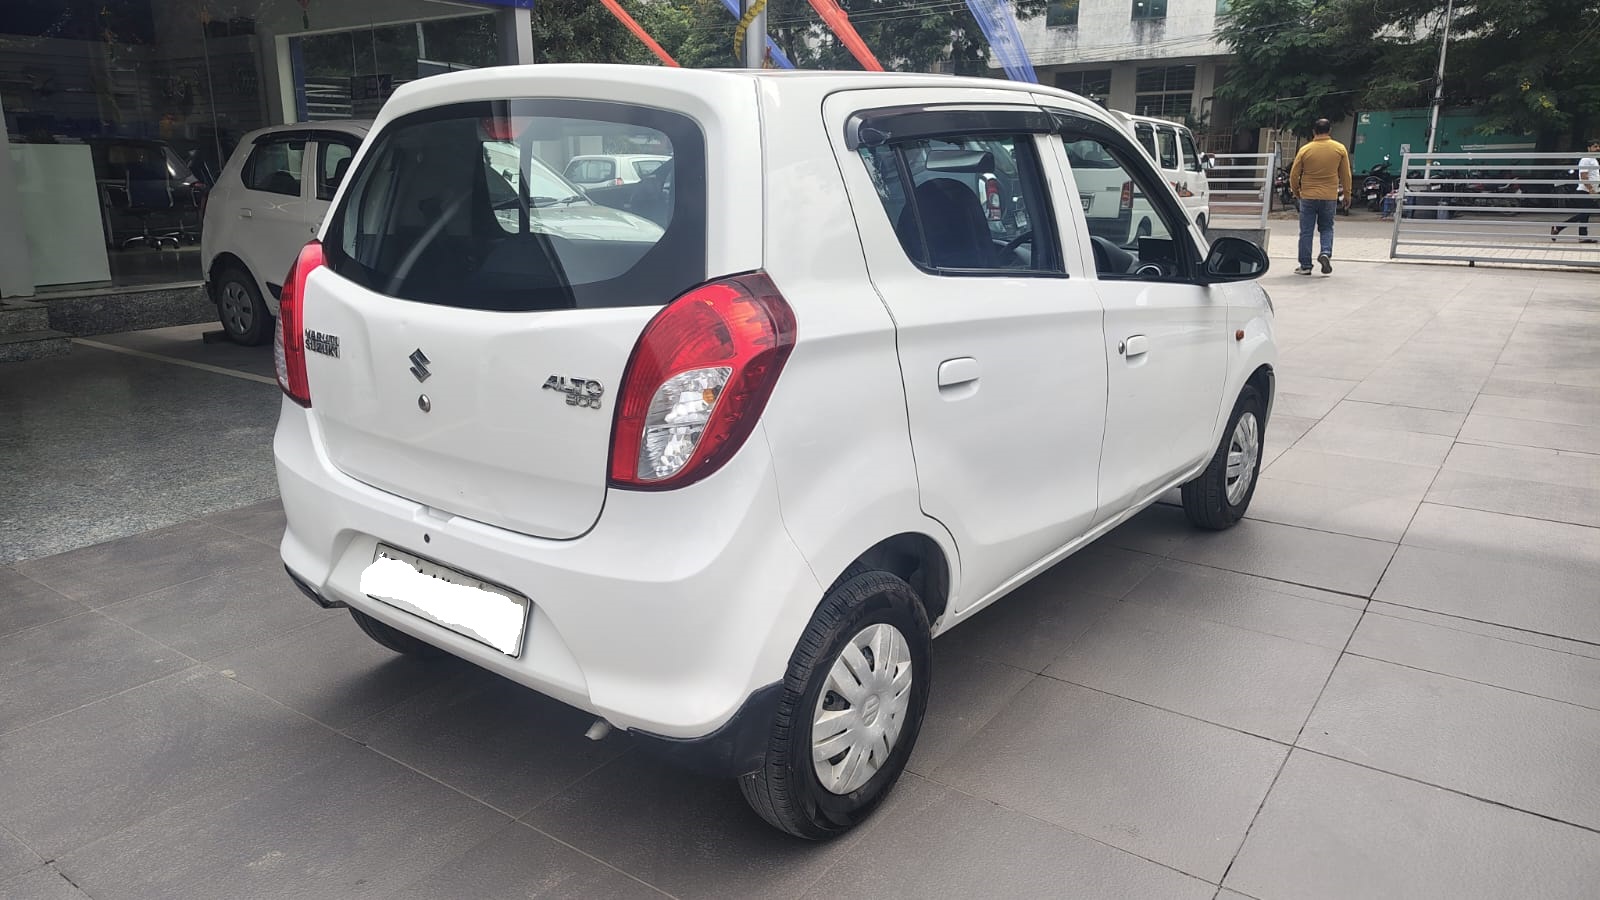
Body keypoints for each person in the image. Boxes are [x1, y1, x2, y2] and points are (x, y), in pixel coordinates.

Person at [1289, 118, 1353, 274]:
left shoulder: (1305, 149)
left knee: (1306, 231)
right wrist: (1347, 194)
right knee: (1326, 228)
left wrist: (1296, 191)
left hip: (1308, 196)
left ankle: (1305, 266)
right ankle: (1325, 252)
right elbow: (1346, 174)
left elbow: (1294, 174)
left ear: (1314, 131)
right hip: (1329, 196)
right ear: (1329, 130)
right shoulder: (1339, 149)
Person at [1551, 137, 1599, 243]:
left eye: (1598, 146)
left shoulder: (1594, 160)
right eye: (1595, 146)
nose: (1597, 148)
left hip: (1591, 191)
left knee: (1584, 215)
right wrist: (1591, 190)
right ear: (1589, 148)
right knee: (1585, 214)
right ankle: (1559, 227)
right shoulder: (1586, 159)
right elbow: (1584, 176)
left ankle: (1579, 235)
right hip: (1584, 191)